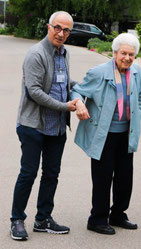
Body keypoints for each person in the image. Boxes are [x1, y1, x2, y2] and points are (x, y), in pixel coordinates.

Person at [10, 11, 78, 241]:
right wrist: (65, 106)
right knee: (28, 173)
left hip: (56, 128)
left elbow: (65, 82)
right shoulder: (36, 54)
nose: (61, 33)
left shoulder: (65, 53)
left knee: (51, 174)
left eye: (66, 30)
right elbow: (35, 91)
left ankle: (43, 219)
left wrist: (82, 88)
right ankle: (17, 219)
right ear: (49, 27)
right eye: (58, 27)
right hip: (33, 126)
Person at [71, 33, 141, 235]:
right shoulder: (98, 72)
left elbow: (140, 97)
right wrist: (78, 103)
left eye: (131, 54)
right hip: (103, 135)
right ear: (114, 53)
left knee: (124, 178)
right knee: (103, 179)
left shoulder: (137, 72)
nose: (127, 58)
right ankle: (97, 219)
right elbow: (77, 91)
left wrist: (138, 113)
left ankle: (118, 215)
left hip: (126, 133)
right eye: (123, 53)